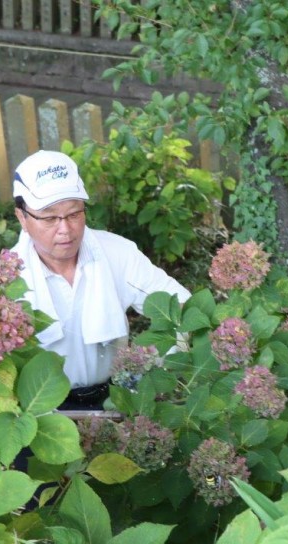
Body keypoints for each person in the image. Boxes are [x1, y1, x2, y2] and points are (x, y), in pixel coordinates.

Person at [11, 150, 191, 409]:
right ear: (22, 217)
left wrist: (157, 363)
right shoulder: (4, 277)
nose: (65, 229)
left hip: (115, 398)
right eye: (50, 218)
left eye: (74, 214)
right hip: (38, 409)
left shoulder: (117, 253)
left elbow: (181, 307)